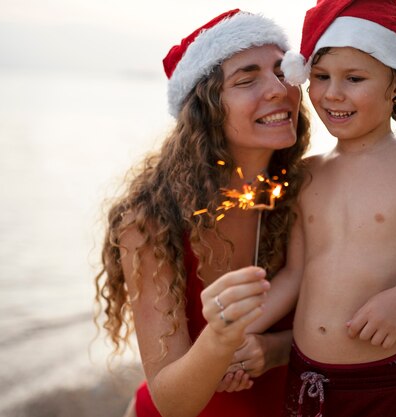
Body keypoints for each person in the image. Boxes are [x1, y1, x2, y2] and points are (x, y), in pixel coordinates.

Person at [243, 0, 396, 416]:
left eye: (354, 78)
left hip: (378, 380)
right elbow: (296, 273)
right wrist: (237, 333)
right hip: (303, 375)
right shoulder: (308, 173)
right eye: (319, 77)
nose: (333, 93)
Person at [94, 9, 312, 417]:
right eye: (247, 79)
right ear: (205, 109)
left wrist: (274, 349)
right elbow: (171, 402)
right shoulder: (150, 223)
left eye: (283, 72)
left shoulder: (307, 193)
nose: (279, 89)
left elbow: (346, 323)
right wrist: (220, 340)